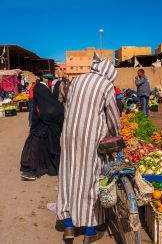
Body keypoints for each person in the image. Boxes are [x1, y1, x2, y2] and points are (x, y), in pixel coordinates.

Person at [57, 53, 120, 243]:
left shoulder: (77, 81)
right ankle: (90, 230)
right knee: (90, 178)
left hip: (69, 136)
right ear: (108, 73)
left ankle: (68, 224)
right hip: (91, 138)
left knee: (69, 176)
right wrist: (116, 133)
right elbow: (113, 118)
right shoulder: (105, 85)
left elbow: (68, 110)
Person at [20, 75, 64, 180]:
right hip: (48, 129)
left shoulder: (43, 102)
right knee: (48, 148)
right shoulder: (54, 105)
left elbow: (40, 114)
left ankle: (32, 171)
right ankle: (51, 169)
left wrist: (33, 127)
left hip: (42, 128)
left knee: (34, 148)